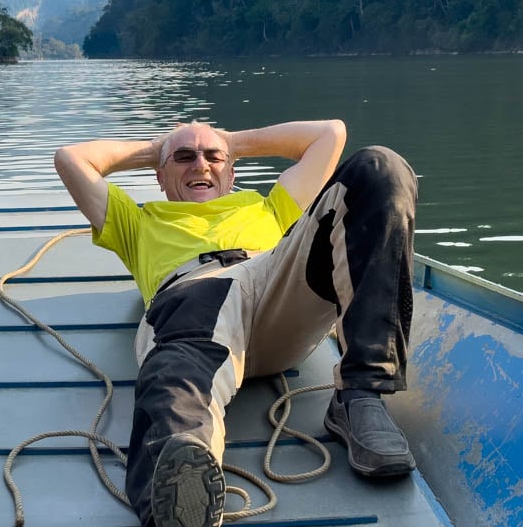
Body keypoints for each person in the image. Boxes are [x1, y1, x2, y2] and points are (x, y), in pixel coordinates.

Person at [53, 119, 418, 527]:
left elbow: (329, 134)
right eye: (184, 158)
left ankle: (360, 396)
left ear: (232, 173)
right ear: (160, 175)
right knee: (177, 365)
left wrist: (227, 142)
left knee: (379, 168)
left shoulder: (269, 206)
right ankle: (182, 486)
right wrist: (159, 147)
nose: (200, 166)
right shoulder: (135, 222)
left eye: (213, 159)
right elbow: (72, 159)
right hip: (195, 299)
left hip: (276, 284)